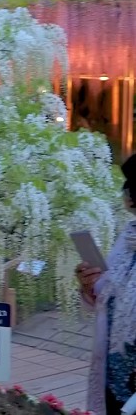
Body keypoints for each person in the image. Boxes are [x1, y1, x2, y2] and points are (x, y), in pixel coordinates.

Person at [76, 154, 136, 415]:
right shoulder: (128, 236)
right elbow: (107, 295)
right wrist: (89, 284)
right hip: (115, 369)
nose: (127, 194)